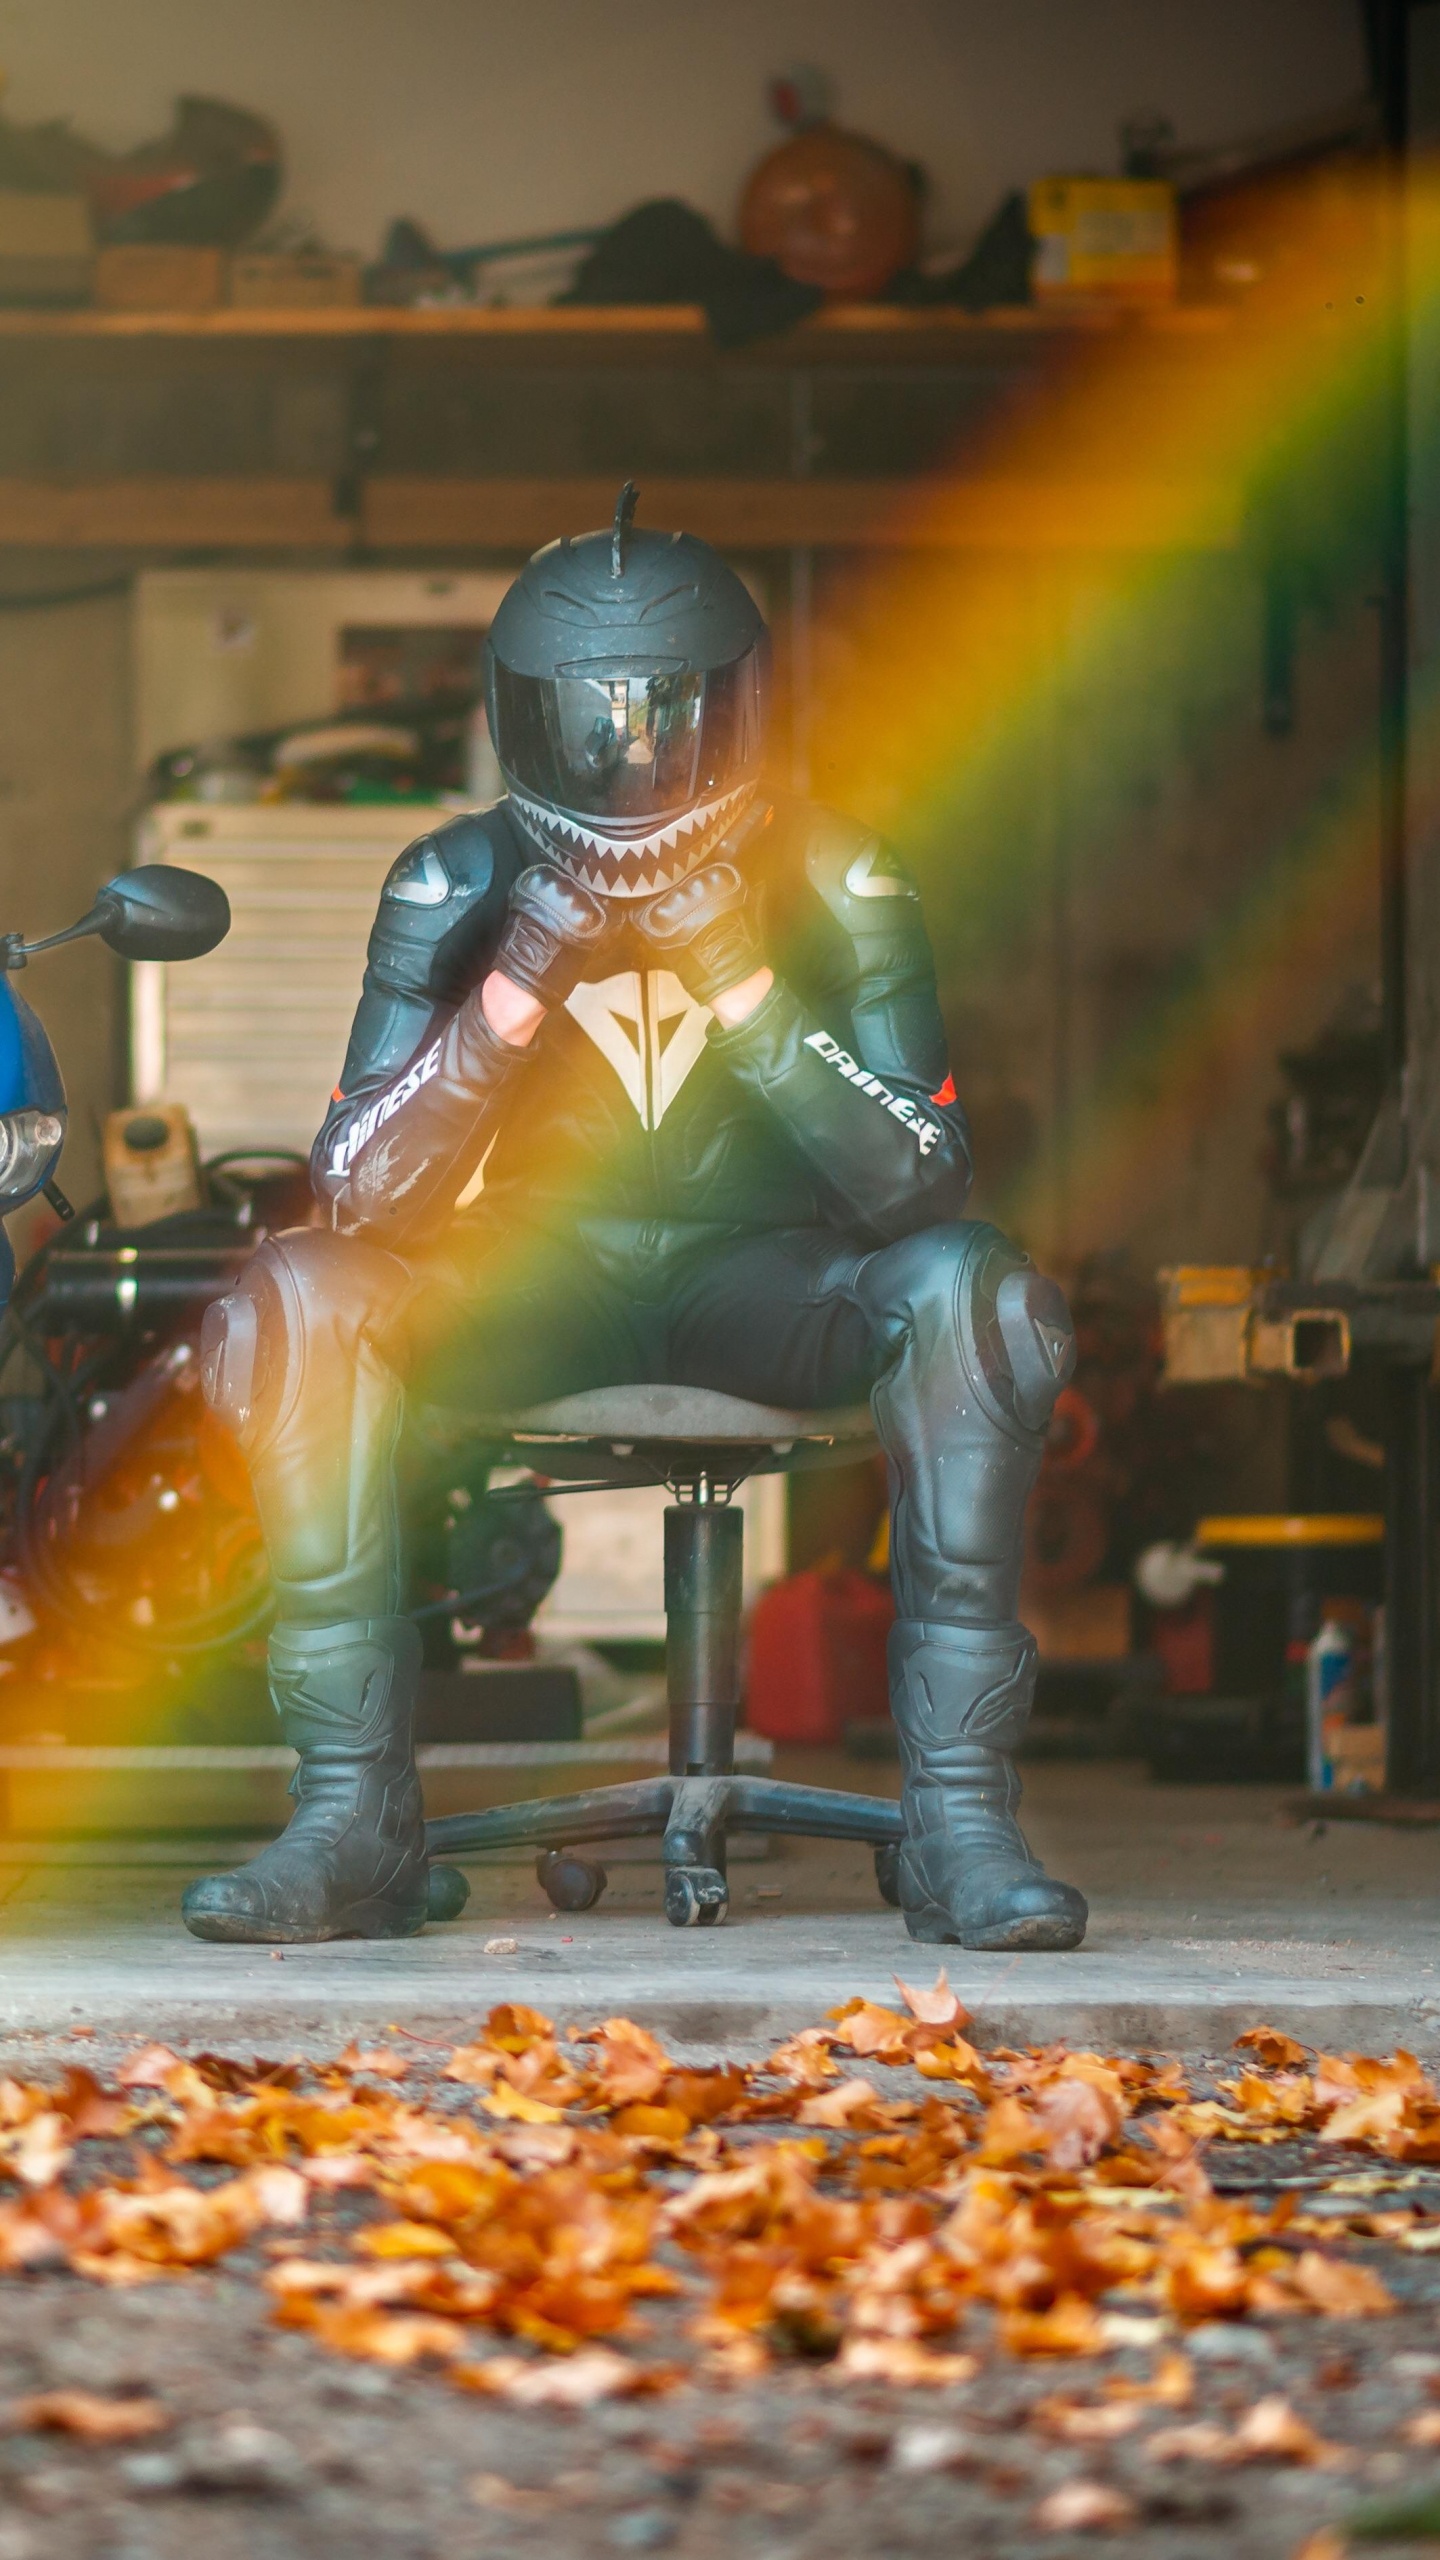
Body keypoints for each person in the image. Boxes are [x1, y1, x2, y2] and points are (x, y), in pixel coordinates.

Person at [186, 486, 1087, 1955]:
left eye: (667, 712)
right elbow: (359, 1188)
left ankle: (960, 1828)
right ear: (517, 714)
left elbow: (922, 1181)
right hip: (542, 1287)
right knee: (297, 1293)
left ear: (737, 707)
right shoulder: (458, 879)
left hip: (778, 1290)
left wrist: (740, 977)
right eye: (587, 718)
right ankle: (354, 1823)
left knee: (980, 1299)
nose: (629, 751)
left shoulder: (839, 873)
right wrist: (515, 984)